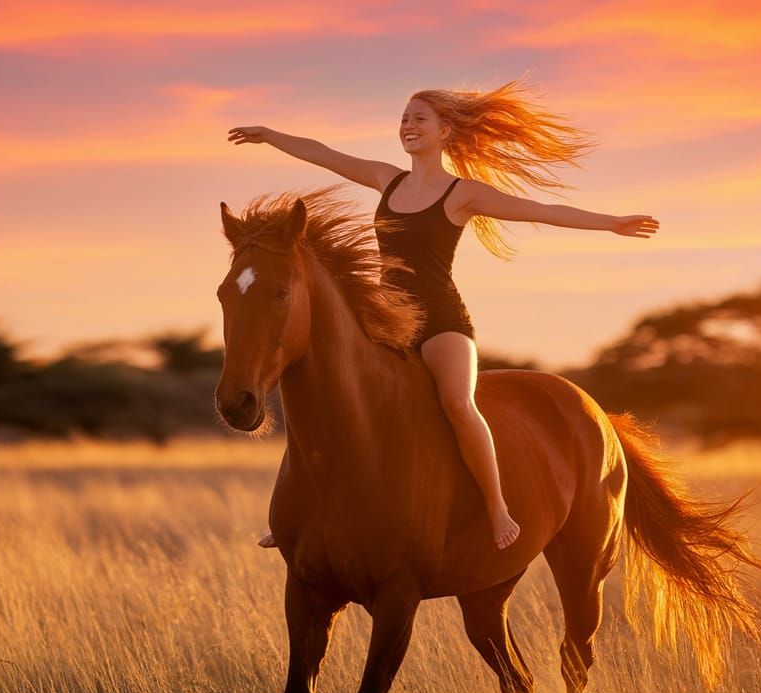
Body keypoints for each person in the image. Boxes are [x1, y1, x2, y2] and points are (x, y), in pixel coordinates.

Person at [228, 79, 659, 551]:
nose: (408, 126)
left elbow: (541, 210)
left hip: (442, 322)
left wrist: (611, 223)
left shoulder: (462, 194)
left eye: (420, 119)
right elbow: (322, 152)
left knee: (457, 403)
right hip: (384, 321)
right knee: (333, 398)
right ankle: (301, 511)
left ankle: (496, 507)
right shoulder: (385, 178)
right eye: (404, 118)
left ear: (445, 131)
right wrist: (269, 134)